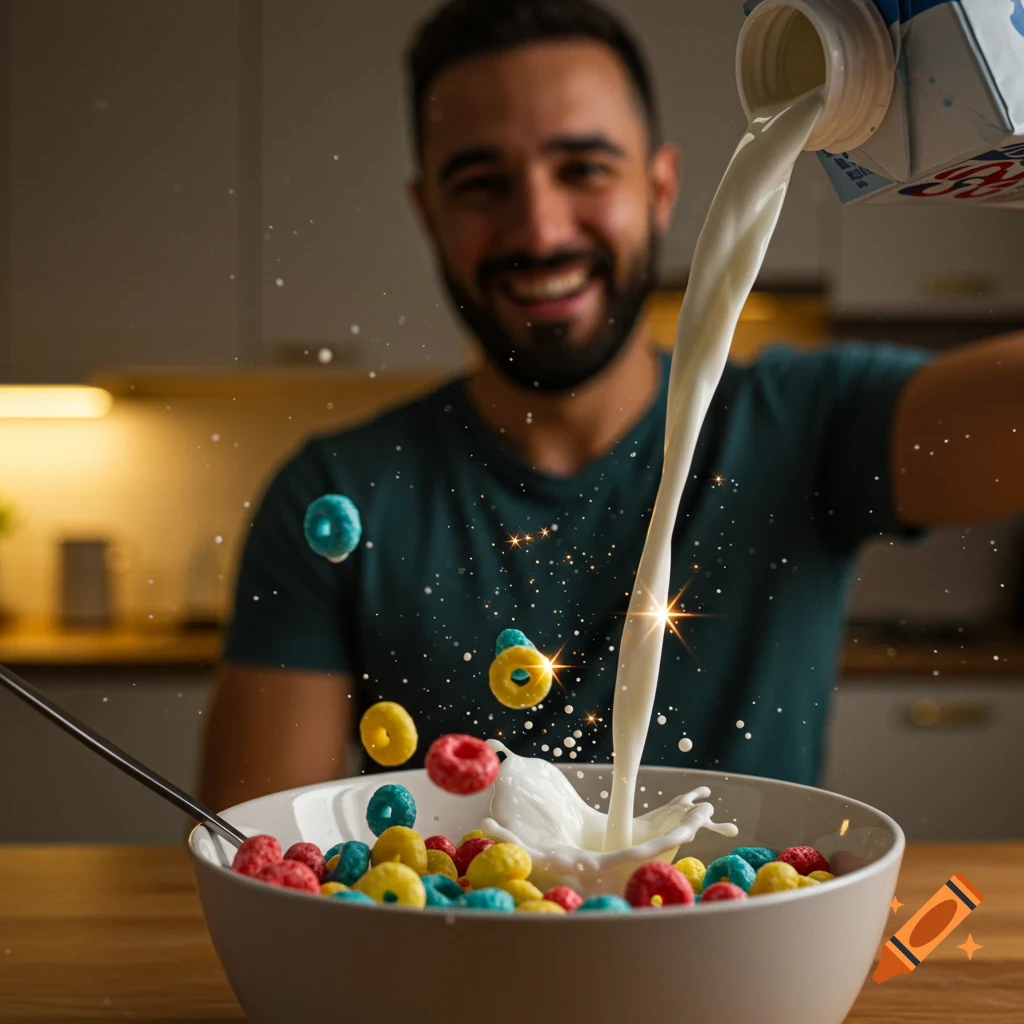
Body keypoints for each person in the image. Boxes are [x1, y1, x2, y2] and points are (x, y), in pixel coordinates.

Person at [199, 0, 1024, 811]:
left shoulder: (805, 424)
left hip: (754, 948)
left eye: (584, 169)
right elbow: (263, 859)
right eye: (482, 183)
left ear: (662, 186)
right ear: (429, 214)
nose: (541, 225)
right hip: (448, 948)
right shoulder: (337, 494)